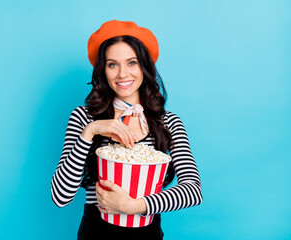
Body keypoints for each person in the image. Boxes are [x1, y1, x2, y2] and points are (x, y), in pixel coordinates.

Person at [51, 20, 203, 240]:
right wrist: (91, 131)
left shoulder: (168, 122)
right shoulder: (84, 118)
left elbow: (193, 191)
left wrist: (135, 206)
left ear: (144, 66)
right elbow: (60, 197)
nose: (123, 74)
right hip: (95, 232)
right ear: (103, 70)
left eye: (131, 62)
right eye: (112, 64)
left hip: (147, 234)